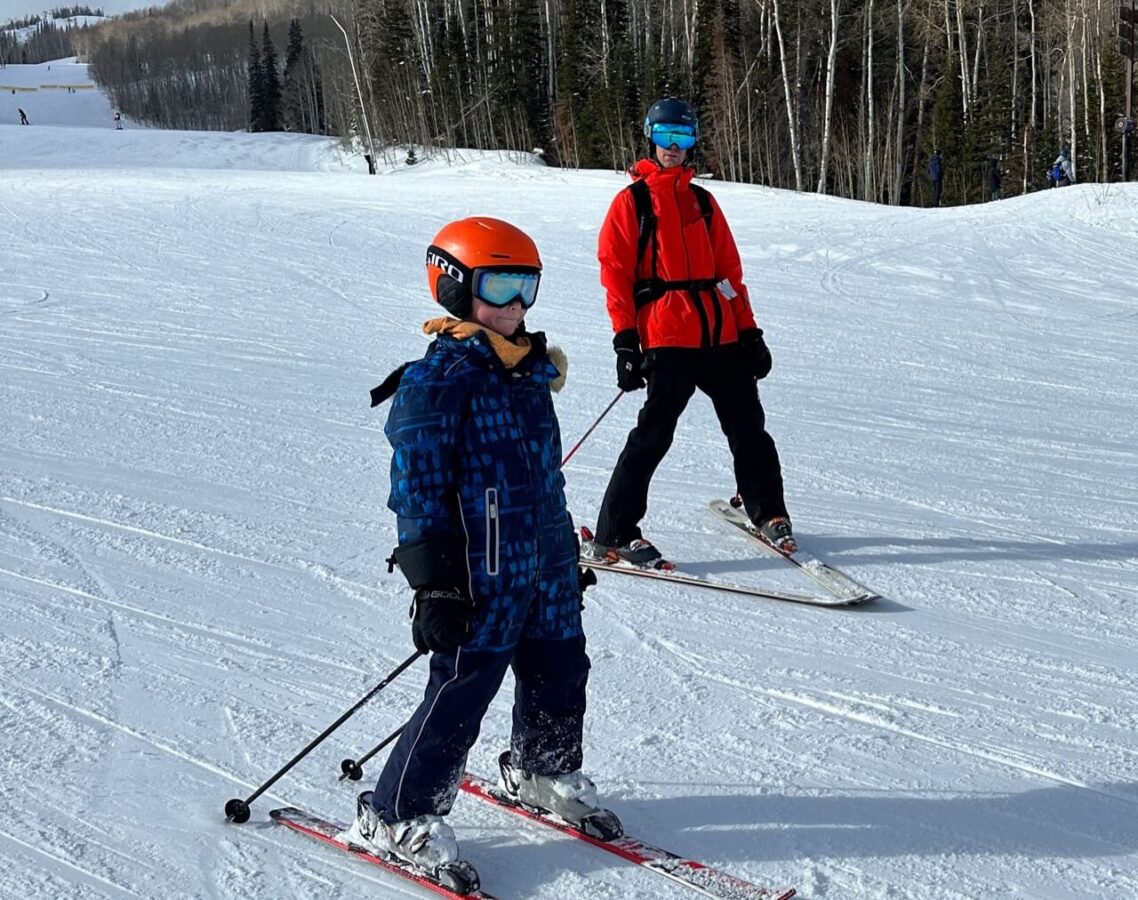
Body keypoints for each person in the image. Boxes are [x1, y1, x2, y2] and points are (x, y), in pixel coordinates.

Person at [345, 217, 618, 890]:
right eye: (500, 285)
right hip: (478, 574)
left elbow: (543, 478)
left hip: (543, 563)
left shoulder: (527, 371)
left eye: (527, 286)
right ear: (455, 287)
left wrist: (562, 556)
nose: (516, 304)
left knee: (561, 668)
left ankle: (541, 767)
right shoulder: (437, 382)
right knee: (463, 690)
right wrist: (434, 582)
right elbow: (416, 489)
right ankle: (394, 811)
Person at [585, 97, 795, 569]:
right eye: (665, 138)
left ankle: (768, 510)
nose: (674, 148)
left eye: (683, 138)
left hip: (719, 334)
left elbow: (729, 273)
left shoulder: (703, 201)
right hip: (667, 334)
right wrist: (625, 340)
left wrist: (750, 331)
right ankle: (614, 530)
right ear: (650, 139)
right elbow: (615, 274)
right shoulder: (632, 202)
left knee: (748, 426)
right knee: (655, 434)